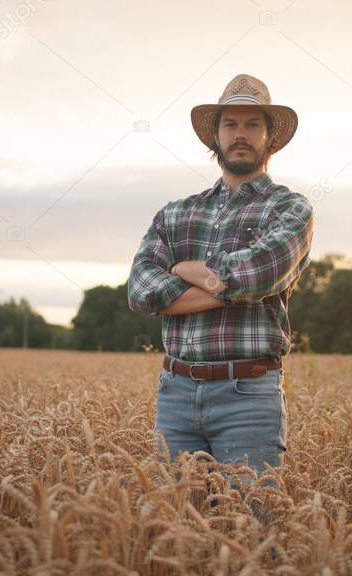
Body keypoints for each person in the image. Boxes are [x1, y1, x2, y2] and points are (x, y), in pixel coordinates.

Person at [127, 73, 314, 529]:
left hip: (248, 394)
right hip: (175, 392)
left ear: (270, 137)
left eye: (253, 124)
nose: (240, 134)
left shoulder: (290, 209)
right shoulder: (176, 212)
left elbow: (257, 275)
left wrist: (181, 269)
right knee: (178, 536)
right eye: (230, 124)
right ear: (216, 135)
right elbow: (138, 289)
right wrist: (224, 287)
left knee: (251, 535)